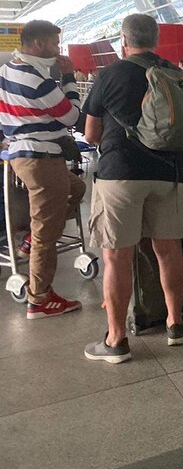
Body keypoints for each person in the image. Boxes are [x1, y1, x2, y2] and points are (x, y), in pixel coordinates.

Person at [82, 14, 183, 362]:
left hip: (121, 174)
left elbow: (91, 135)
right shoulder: (176, 73)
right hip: (169, 173)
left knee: (116, 256)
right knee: (169, 249)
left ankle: (116, 340)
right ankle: (176, 324)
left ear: (123, 41)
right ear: (155, 40)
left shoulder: (109, 74)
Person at [0, 20, 86, 319]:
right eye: (54, 44)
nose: (58, 50)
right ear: (38, 44)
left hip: (21, 155)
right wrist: (68, 77)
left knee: (77, 188)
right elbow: (72, 116)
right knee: (45, 231)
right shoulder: (37, 80)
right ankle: (40, 298)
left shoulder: (6, 71)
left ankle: (29, 243)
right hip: (42, 157)